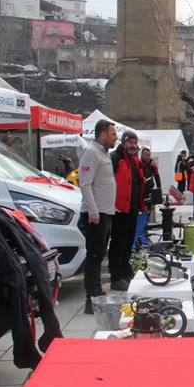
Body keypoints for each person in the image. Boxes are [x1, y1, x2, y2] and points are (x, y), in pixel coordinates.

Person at [78, 119, 118, 314]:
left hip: (106, 212)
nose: (115, 138)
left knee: (100, 255)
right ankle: (90, 298)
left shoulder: (103, 153)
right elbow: (85, 183)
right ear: (102, 134)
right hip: (95, 215)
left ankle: (98, 290)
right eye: (113, 134)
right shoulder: (91, 153)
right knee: (94, 257)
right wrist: (93, 211)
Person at [107, 130, 147, 292]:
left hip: (132, 207)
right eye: (130, 142)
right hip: (119, 209)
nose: (133, 146)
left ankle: (125, 271)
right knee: (118, 243)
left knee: (128, 242)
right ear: (124, 142)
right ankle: (116, 277)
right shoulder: (115, 158)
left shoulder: (134, 161)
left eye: (135, 143)